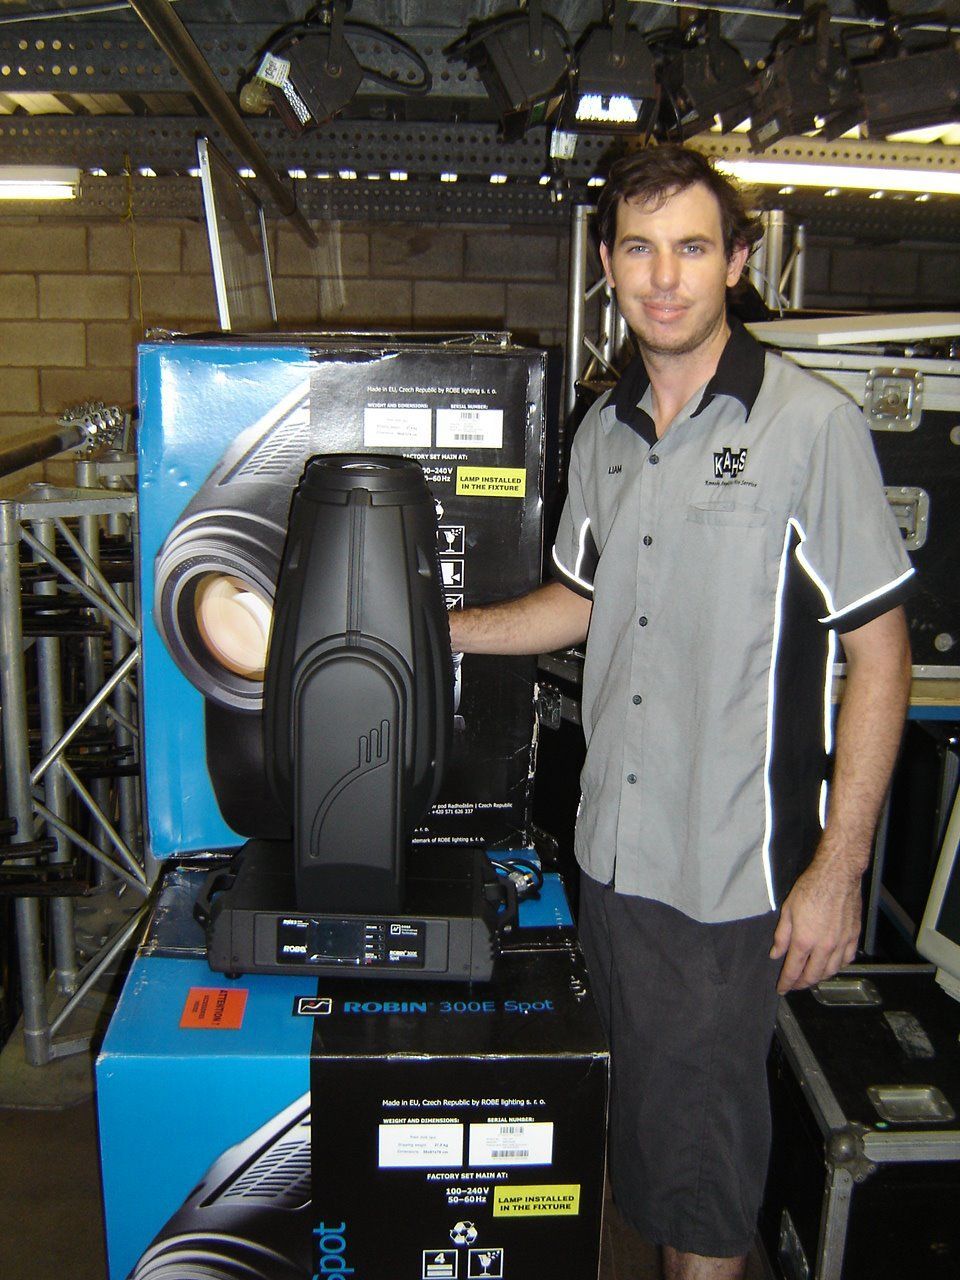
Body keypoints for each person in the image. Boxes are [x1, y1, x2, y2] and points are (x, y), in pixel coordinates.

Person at [449, 144, 914, 1280]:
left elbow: (880, 652)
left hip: (725, 881)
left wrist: (837, 866)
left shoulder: (811, 427)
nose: (665, 277)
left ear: (736, 262)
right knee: (654, 1140)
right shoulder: (603, 432)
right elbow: (575, 601)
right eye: (641, 249)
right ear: (609, 264)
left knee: (703, 1182)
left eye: (693, 248)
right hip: (610, 858)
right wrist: (437, 631)